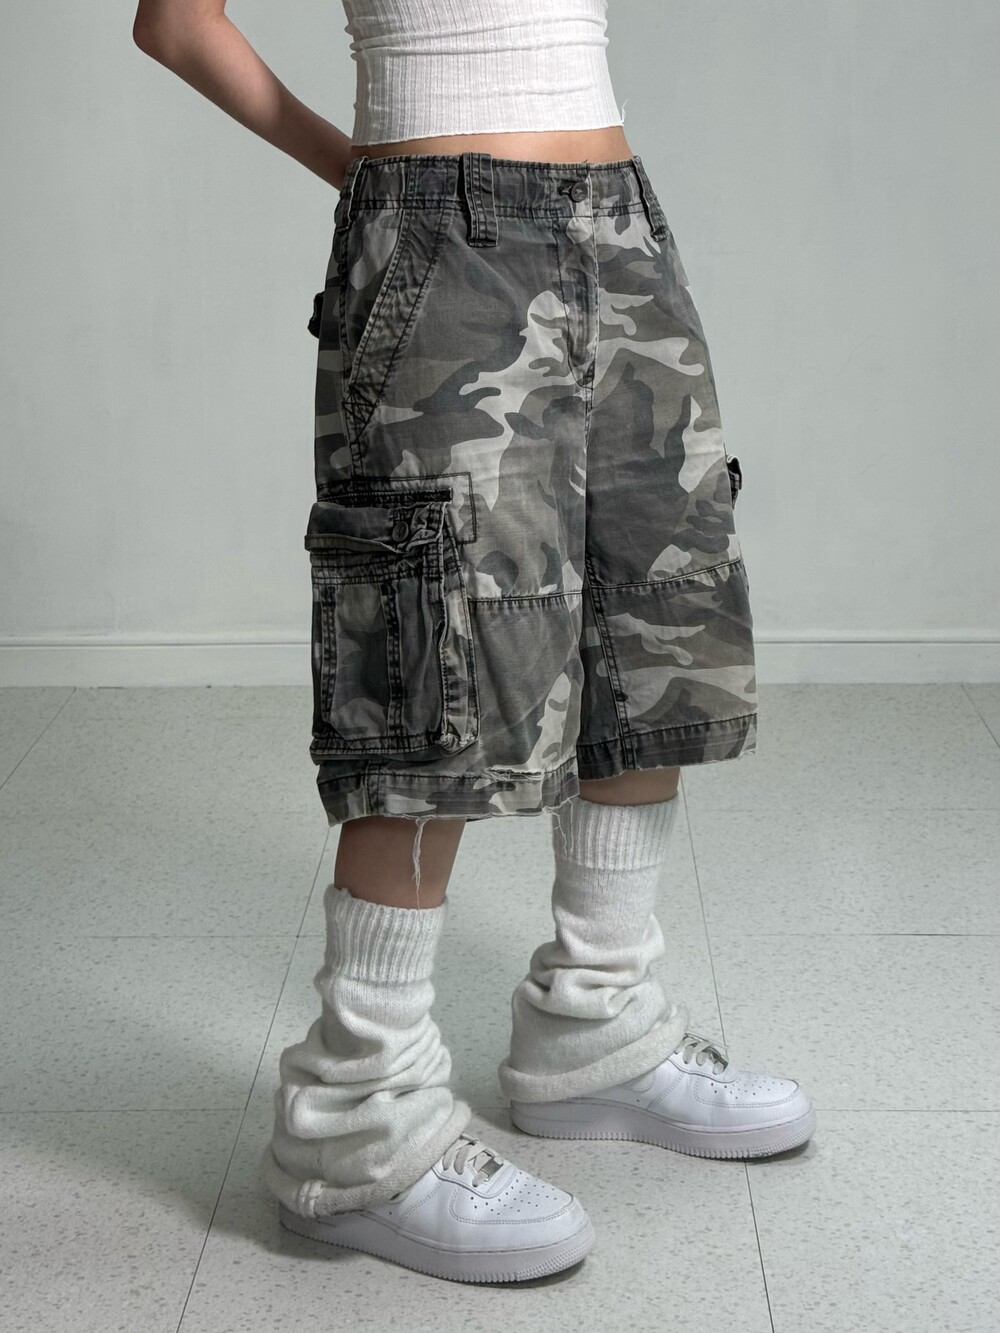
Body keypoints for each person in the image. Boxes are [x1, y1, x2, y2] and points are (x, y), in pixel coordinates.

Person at [133, 0, 816, 1285]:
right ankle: (355, 1124)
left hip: (618, 216)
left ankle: (595, 1028)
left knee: (649, 617)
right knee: (434, 654)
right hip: (436, 230)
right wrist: (365, 175)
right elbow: (174, 23)